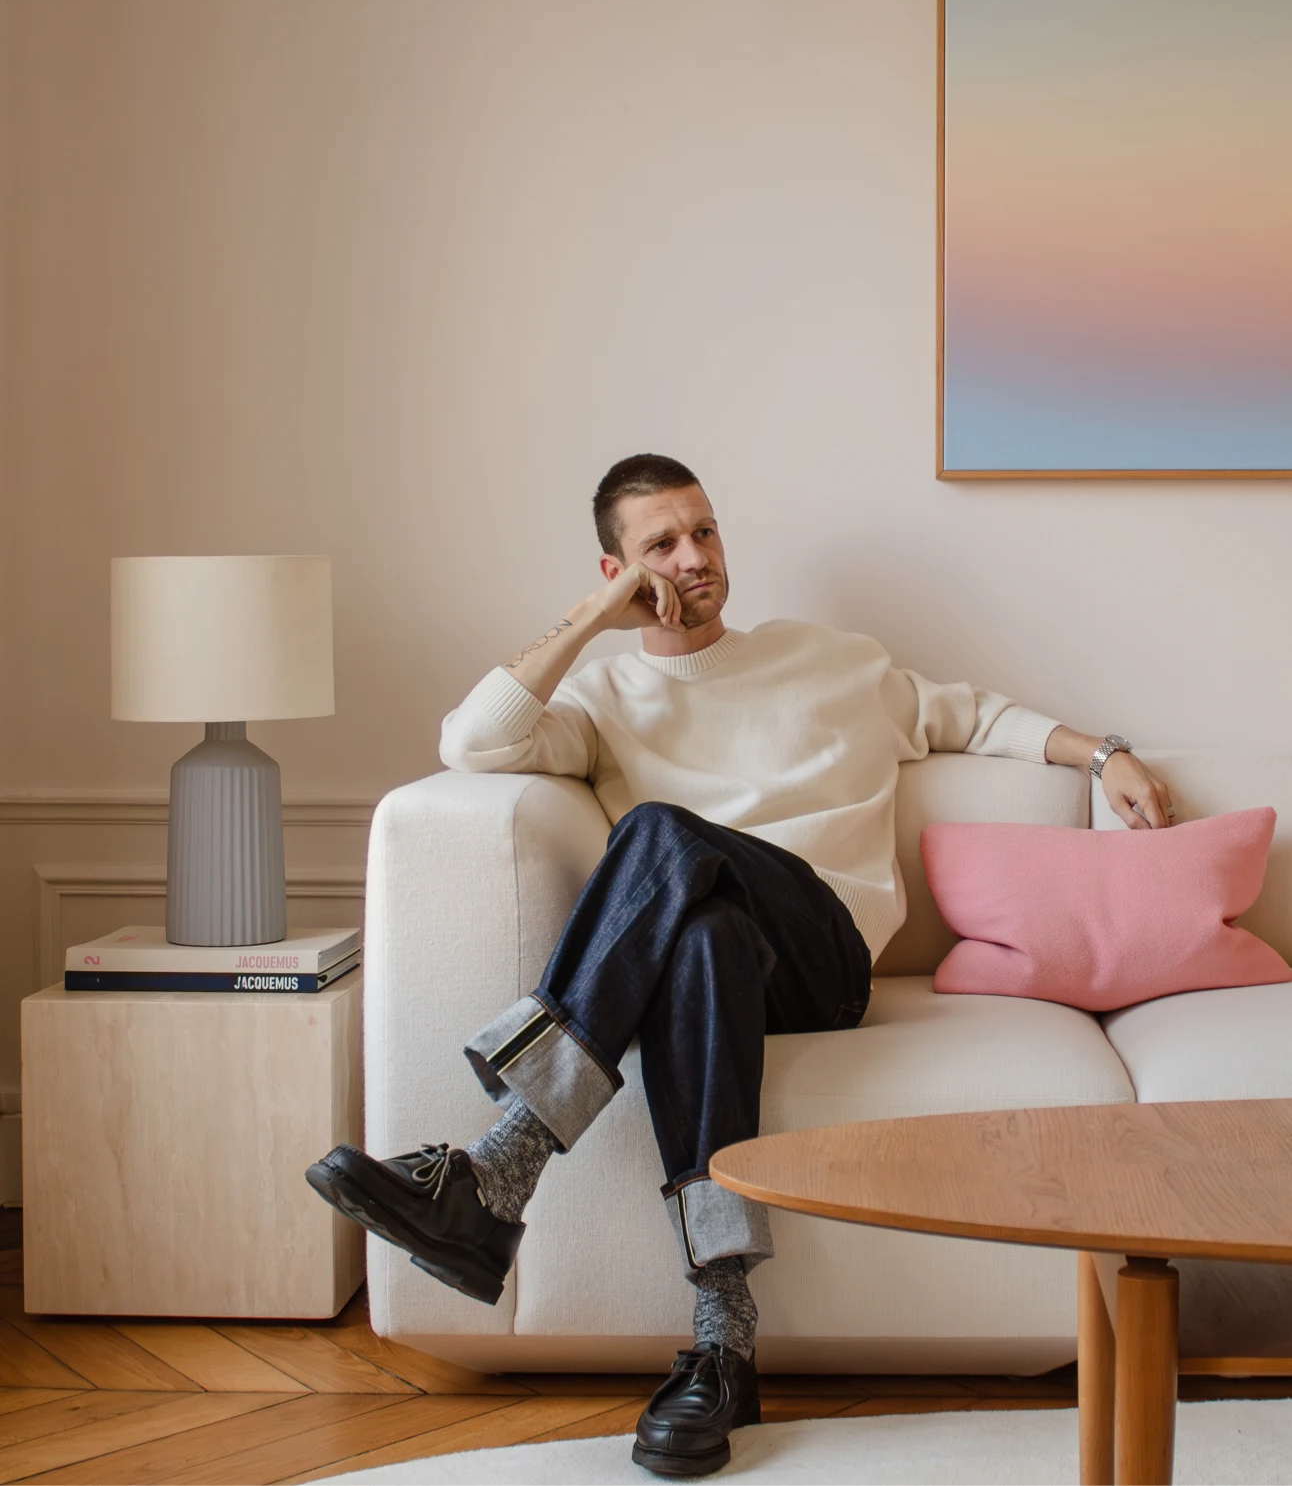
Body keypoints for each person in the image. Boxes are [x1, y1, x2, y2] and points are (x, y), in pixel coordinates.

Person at [307, 452, 1174, 1479]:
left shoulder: (831, 659)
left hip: (824, 955)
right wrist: (595, 620)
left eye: (704, 531)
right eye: (660, 544)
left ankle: (502, 1166)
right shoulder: (603, 695)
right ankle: (723, 1336)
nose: (693, 556)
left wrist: (1101, 753)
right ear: (615, 568)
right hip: (721, 968)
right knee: (701, 932)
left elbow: (975, 715)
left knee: (668, 834)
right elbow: (470, 742)